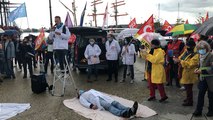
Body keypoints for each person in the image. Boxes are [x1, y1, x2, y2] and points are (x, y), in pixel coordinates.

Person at [173, 39, 199, 106]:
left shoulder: (196, 54)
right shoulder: (186, 51)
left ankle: (190, 101)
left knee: (189, 88)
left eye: (187, 46)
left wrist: (180, 61)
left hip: (190, 73)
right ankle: (188, 98)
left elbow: (190, 64)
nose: (186, 47)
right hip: (183, 71)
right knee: (186, 87)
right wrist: (178, 59)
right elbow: (180, 57)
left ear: (192, 46)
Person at [193, 41, 213, 117]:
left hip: (210, 79)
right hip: (202, 78)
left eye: (203, 49)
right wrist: (197, 69)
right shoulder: (200, 56)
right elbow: (200, 65)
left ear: (207, 48)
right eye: (199, 49)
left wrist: (203, 70)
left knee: (211, 96)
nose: (201, 50)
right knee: (200, 94)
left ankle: (211, 110)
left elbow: (212, 68)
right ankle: (198, 110)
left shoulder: (211, 56)